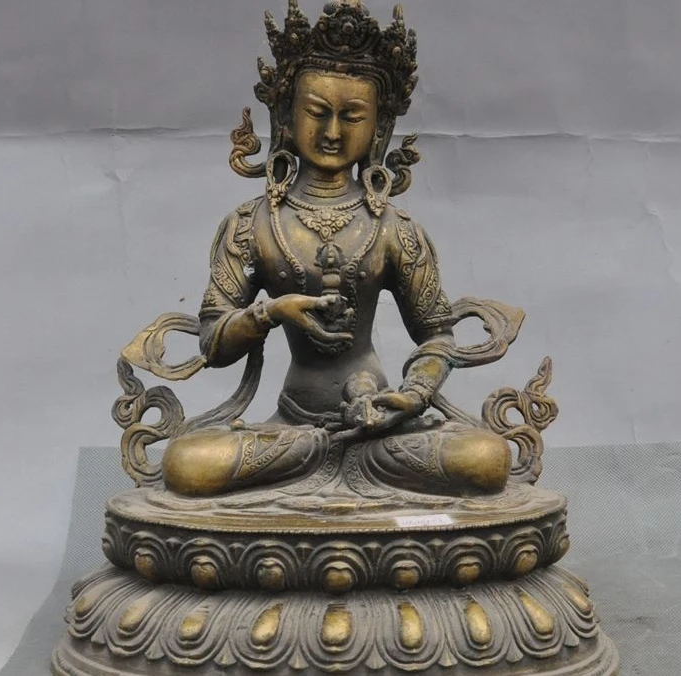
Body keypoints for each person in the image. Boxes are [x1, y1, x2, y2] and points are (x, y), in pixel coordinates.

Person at [161, 1, 511, 498]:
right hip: (291, 428)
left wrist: (413, 395)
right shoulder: (251, 224)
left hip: (377, 428)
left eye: (352, 116)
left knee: (486, 459)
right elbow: (213, 344)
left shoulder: (394, 228)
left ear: (379, 127)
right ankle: (324, 461)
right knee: (187, 465)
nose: (331, 132)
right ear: (285, 115)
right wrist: (272, 312)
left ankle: (333, 465)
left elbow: (438, 336)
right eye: (316, 112)